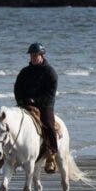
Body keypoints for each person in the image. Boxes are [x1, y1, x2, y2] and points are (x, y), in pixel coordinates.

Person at [14, 42, 59, 173]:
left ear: (41, 55)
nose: (33, 58)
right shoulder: (24, 72)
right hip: (25, 104)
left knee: (49, 125)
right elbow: (17, 89)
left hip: (45, 105)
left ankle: (51, 154)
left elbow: (50, 94)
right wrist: (21, 101)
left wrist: (36, 101)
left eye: (35, 55)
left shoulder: (50, 73)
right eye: (31, 55)